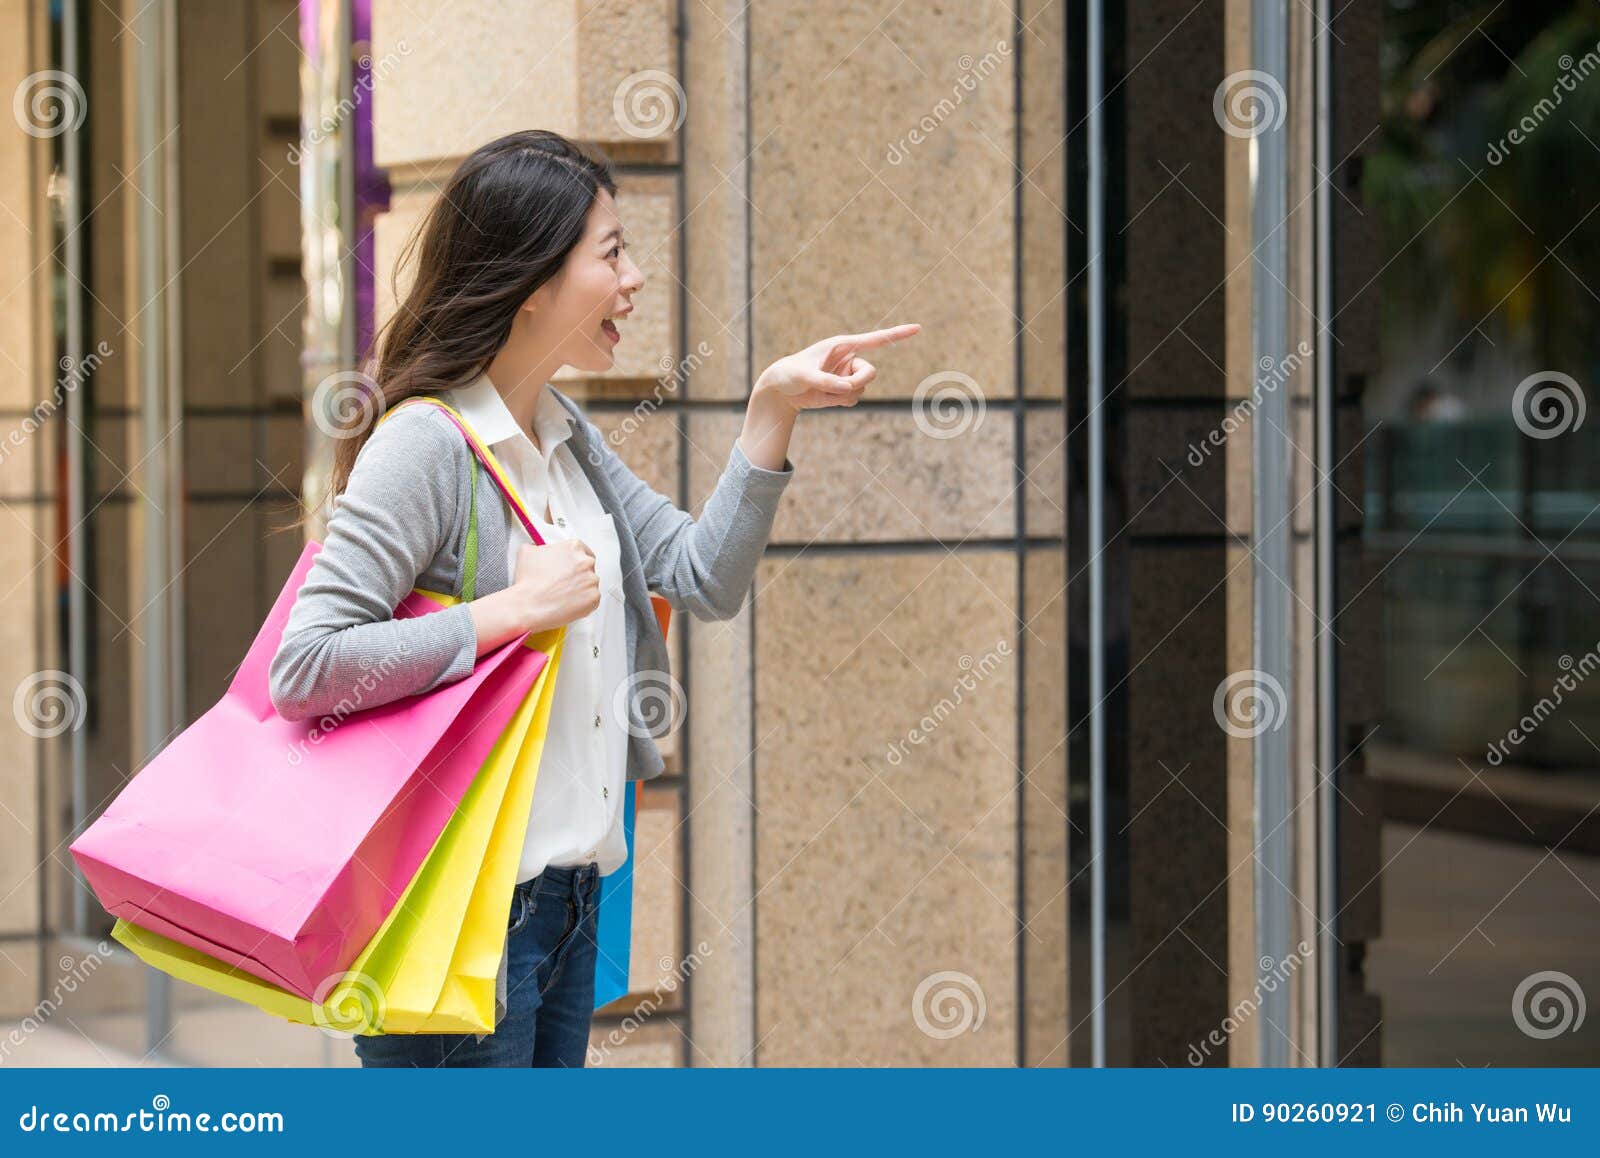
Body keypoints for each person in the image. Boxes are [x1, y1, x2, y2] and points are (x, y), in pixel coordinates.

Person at [267, 129, 920, 1066]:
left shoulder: (567, 438)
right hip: (463, 909)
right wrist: (510, 614)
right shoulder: (428, 446)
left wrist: (771, 411)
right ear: (533, 280)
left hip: (571, 902)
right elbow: (306, 666)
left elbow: (704, 574)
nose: (636, 278)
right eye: (611, 253)